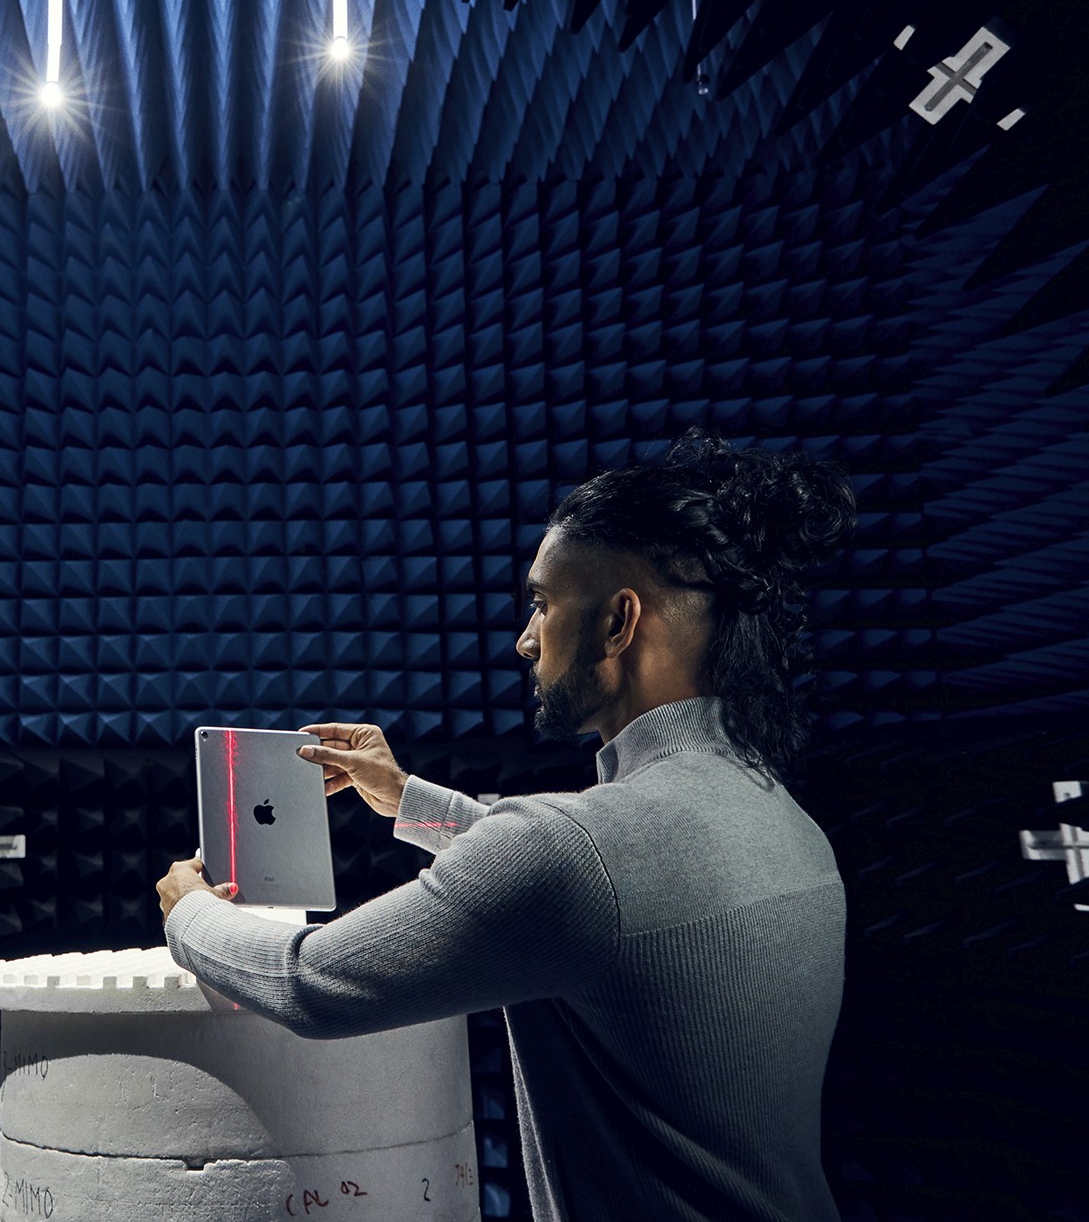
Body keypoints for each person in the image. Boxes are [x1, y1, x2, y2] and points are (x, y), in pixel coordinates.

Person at [155, 429, 856, 1221]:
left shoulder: (572, 855)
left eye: (544, 603)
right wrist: (407, 796)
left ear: (619, 623)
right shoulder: (786, 821)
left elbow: (311, 983)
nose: (526, 640)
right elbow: (605, 883)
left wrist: (193, 914)